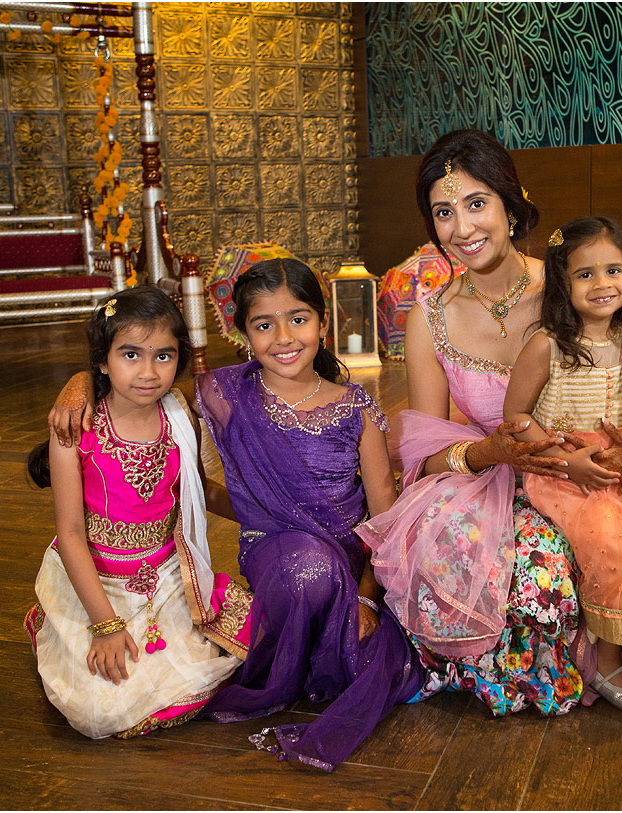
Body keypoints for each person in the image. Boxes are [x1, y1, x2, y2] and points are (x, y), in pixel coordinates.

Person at [359, 130, 622, 715]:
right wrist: (491, 454)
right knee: (501, 567)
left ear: (511, 204)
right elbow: (425, 453)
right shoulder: (430, 318)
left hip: (582, 470)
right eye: (443, 213)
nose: (463, 228)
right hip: (489, 481)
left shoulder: (567, 282)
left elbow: (619, 375)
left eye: (476, 203)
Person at [193, 258, 422, 771]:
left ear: (323, 322)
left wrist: (367, 595)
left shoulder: (355, 406)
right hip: (276, 552)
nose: (283, 337)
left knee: (366, 648)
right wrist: (81, 380)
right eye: (263, 324)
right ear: (243, 335)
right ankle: (304, 652)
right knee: (307, 571)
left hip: (348, 559)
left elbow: (383, 514)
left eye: (297, 318)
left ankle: (323, 640)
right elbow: (141, 382)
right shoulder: (224, 394)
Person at [23, 286, 246, 739]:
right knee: (98, 710)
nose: (148, 372)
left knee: (249, 641)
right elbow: (69, 535)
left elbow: (196, 491)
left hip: (167, 576)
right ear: (102, 361)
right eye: (130, 355)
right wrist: (105, 626)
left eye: (163, 356)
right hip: (97, 581)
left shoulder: (180, 414)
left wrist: (266, 513)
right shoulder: (75, 430)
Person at [501, 216, 622, 713]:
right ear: (562, 282)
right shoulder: (547, 345)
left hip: (615, 468)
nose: (602, 284)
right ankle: (604, 659)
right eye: (585, 274)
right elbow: (514, 416)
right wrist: (564, 460)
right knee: (615, 543)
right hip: (563, 471)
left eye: (613, 270)